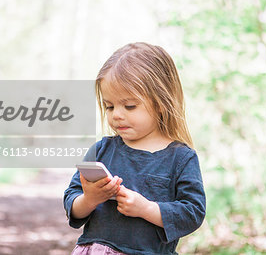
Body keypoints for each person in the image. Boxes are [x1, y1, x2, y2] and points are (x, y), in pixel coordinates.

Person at [63, 42, 206, 255]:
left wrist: (147, 209)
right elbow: (72, 200)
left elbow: (192, 212)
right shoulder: (101, 150)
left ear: (160, 103)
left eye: (129, 106)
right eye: (109, 106)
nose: (116, 114)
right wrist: (90, 199)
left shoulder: (181, 158)